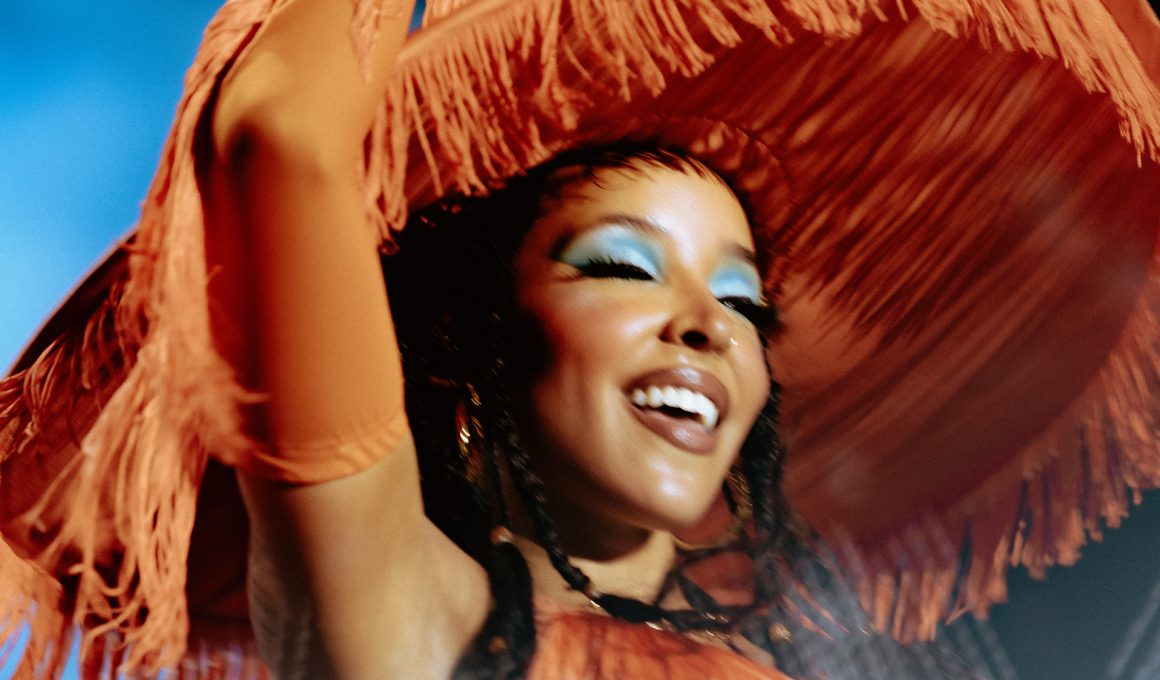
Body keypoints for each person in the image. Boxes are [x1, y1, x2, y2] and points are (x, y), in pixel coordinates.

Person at [1, 0, 1158, 677]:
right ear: (466, 342)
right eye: (620, 267)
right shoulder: (407, 613)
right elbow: (277, 136)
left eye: (741, 299)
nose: (705, 323)